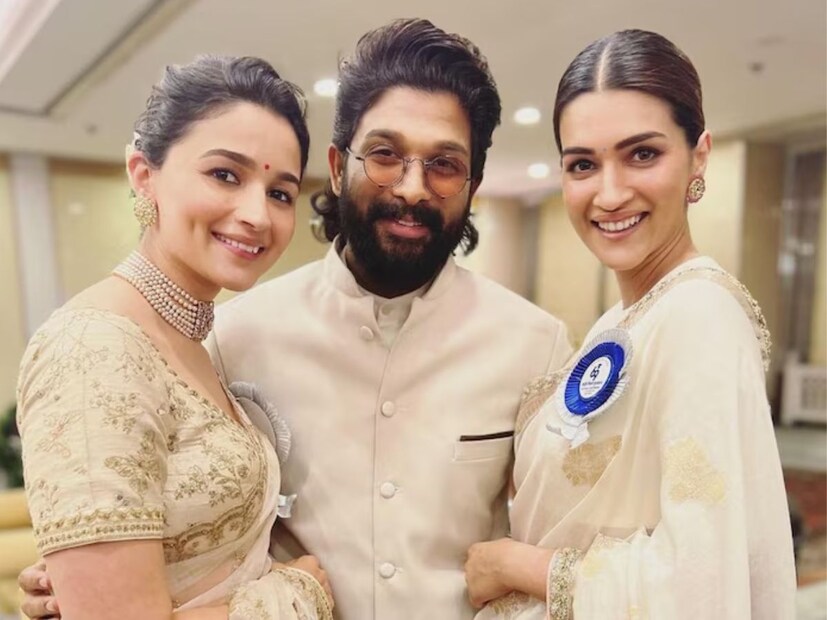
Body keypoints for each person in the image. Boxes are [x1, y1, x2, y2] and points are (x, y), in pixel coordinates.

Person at [19, 19, 570, 620]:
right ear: (337, 166)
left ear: (473, 184)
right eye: (384, 155)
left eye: (444, 164)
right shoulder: (234, 334)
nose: (413, 188)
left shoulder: (533, 344)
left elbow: (559, 539)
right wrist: (91, 584)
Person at [463, 29, 797, 619]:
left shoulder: (699, 314)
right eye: (583, 164)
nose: (610, 193)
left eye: (642, 154)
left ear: (698, 155)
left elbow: (701, 583)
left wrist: (516, 566)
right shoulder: (624, 319)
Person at [16, 55, 334, 619]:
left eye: (280, 193)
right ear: (144, 174)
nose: (257, 215)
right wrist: (297, 592)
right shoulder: (92, 349)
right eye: (225, 175)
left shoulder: (193, 342)